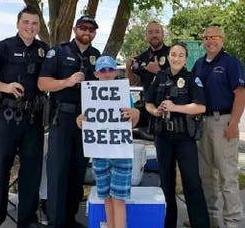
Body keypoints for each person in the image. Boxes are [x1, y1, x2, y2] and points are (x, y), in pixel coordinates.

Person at [0, 5, 49, 228]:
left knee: (31, 173)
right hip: (7, 118)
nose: (30, 27)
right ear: (18, 24)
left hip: (33, 120)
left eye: (35, 23)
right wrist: (6, 87)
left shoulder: (44, 50)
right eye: (26, 22)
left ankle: (27, 220)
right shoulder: (4, 47)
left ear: (39, 26)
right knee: (0, 171)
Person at [38, 15, 101, 228]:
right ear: (75, 29)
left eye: (91, 29)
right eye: (83, 27)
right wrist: (67, 81)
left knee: (77, 172)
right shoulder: (59, 51)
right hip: (62, 119)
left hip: (86, 121)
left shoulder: (96, 55)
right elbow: (43, 83)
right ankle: (55, 221)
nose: (87, 32)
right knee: (58, 172)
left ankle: (70, 219)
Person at [145, 42, 210, 228]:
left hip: (184, 138)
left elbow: (201, 106)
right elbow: (148, 102)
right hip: (162, 137)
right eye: (174, 54)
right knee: (166, 183)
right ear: (169, 56)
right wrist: (154, 111)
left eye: (181, 55)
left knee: (192, 183)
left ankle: (200, 224)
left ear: (185, 58)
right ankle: (168, 224)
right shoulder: (160, 77)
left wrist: (176, 107)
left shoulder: (191, 79)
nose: (176, 58)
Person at [76, 56, 140, 228]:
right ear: (96, 73)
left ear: (115, 72)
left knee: (118, 199)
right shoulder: (89, 95)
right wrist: (80, 120)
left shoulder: (124, 93)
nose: (106, 73)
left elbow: (132, 122)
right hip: (100, 152)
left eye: (110, 70)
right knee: (106, 197)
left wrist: (136, 114)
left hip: (120, 152)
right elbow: (84, 121)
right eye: (102, 70)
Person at [192, 26, 245, 228]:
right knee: (207, 176)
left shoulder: (230, 62)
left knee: (227, 176)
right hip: (202, 123)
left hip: (223, 122)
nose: (210, 41)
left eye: (214, 37)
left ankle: (232, 222)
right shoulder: (198, 64)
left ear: (222, 40)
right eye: (206, 38)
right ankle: (212, 220)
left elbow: (240, 93)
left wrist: (234, 123)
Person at [125, 21, 170, 138]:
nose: (154, 35)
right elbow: (131, 82)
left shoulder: (172, 54)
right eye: (150, 32)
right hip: (147, 107)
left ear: (162, 34)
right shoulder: (142, 57)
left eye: (157, 32)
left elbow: (180, 81)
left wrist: (158, 71)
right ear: (146, 36)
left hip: (168, 107)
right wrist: (128, 68)